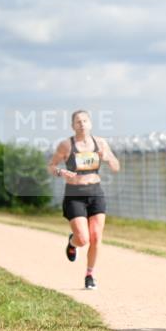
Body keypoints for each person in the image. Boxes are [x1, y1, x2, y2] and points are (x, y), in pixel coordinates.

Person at [48, 109, 120, 290]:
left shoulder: (100, 143)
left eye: (85, 120)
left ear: (90, 124)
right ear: (73, 126)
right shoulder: (66, 145)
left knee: (96, 237)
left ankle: (90, 274)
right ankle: (73, 242)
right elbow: (51, 165)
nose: (82, 124)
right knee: (83, 238)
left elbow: (116, 166)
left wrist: (109, 159)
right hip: (74, 195)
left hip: (95, 192)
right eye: (78, 121)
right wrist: (60, 172)